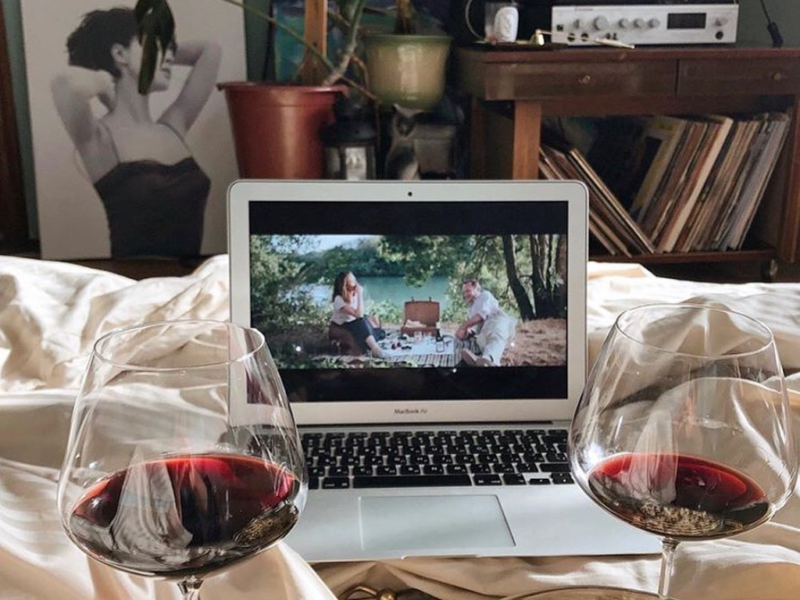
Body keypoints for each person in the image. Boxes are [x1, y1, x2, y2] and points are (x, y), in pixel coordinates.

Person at [51, 7, 222, 258]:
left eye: (170, 49)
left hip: (190, 277)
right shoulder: (98, 139)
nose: (169, 57)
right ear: (119, 53)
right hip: (134, 277)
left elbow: (210, 50)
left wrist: (157, 52)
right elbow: (62, 84)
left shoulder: (173, 126)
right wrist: (105, 78)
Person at [456, 279, 516, 367]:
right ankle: (481, 360)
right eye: (464, 293)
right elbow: (474, 330)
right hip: (485, 332)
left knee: (496, 335)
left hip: (498, 322)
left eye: (468, 291)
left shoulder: (485, 295)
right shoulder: (472, 310)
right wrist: (465, 334)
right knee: (482, 342)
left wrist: (464, 326)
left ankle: (488, 359)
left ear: (476, 288)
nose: (465, 295)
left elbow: (481, 315)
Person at [330, 271, 384, 358]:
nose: (355, 283)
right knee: (361, 322)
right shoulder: (338, 299)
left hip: (354, 324)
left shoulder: (353, 295)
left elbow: (360, 314)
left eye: (355, 279)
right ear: (345, 284)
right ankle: (376, 349)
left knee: (380, 332)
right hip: (342, 326)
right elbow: (359, 315)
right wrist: (360, 295)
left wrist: (357, 295)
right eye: (352, 280)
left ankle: (371, 344)